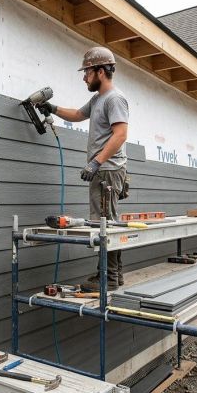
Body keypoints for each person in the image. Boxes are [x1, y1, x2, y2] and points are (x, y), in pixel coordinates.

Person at [37, 47, 130, 291]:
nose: (84, 77)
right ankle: (114, 274)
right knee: (109, 221)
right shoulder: (98, 98)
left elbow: (120, 135)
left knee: (104, 224)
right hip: (105, 168)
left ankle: (107, 278)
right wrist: (52, 108)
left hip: (108, 169)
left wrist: (96, 161)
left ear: (101, 71)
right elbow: (78, 114)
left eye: (87, 72)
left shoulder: (114, 98)